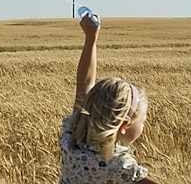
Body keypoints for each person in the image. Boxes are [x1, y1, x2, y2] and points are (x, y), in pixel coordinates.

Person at [58, 14, 157, 184]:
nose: (143, 125)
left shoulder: (72, 137)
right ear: (124, 125)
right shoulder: (119, 165)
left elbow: (84, 83)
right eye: (142, 120)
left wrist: (91, 38)